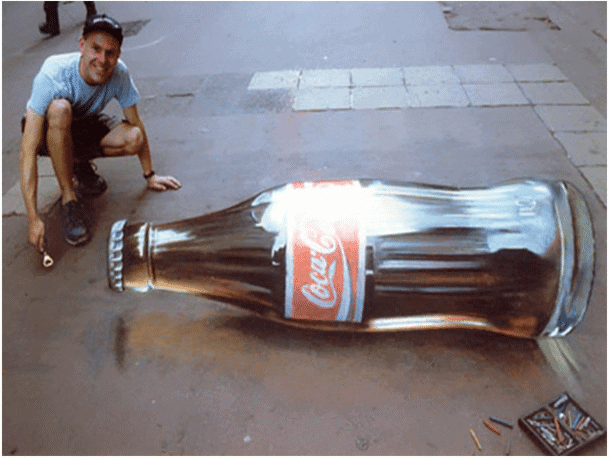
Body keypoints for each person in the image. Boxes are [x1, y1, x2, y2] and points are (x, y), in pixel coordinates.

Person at [20, 14, 181, 251]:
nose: (102, 60)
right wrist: (33, 218)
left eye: (110, 53)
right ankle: (69, 199)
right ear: (82, 45)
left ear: (118, 55)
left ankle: (77, 162)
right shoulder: (53, 74)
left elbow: (136, 123)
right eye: (96, 49)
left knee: (133, 137)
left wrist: (150, 175)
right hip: (48, 130)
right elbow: (27, 150)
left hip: (83, 124)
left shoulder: (119, 74)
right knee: (60, 109)